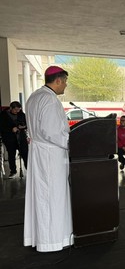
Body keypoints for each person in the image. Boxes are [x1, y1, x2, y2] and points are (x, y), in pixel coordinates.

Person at [24, 66, 73, 252]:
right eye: (65, 81)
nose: (66, 86)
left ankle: (41, 237)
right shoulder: (50, 100)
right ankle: (52, 240)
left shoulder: (35, 96)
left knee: (42, 195)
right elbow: (52, 132)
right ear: (58, 80)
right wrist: (72, 143)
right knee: (52, 196)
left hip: (39, 153)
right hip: (51, 155)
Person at [0, 101, 28, 178]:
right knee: (11, 155)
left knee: (25, 154)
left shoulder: (21, 114)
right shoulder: (3, 115)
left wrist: (23, 127)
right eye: (15, 110)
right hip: (9, 138)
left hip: (21, 137)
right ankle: (13, 171)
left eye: (18, 109)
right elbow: (2, 127)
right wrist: (11, 129)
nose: (17, 111)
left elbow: (27, 124)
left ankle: (28, 170)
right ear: (11, 108)